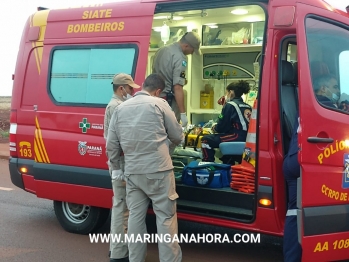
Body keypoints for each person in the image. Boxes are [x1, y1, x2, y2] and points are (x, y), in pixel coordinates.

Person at [106, 73, 184, 262]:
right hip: (159, 171)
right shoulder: (160, 104)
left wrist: (116, 167)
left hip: (133, 172)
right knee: (165, 219)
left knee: (135, 218)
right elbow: (177, 136)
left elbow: (111, 144)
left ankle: (135, 259)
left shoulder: (120, 108)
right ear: (158, 91)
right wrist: (171, 143)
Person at [104, 73, 140, 262]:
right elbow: (113, 142)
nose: (132, 92)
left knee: (121, 206)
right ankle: (119, 253)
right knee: (121, 207)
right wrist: (117, 166)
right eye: (130, 88)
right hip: (120, 162)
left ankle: (117, 250)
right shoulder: (117, 107)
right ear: (121, 89)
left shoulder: (115, 106)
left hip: (118, 161)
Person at [152, 31, 202, 127]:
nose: (192, 53)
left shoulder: (161, 50)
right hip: (168, 101)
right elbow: (177, 87)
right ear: (186, 46)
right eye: (193, 50)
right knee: (171, 133)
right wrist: (183, 114)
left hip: (154, 99)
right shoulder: (181, 58)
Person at [201, 80, 252, 163]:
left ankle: (207, 164)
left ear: (231, 92)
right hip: (247, 139)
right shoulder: (248, 106)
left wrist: (214, 128)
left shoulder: (230, 105)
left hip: (236, 137)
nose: (226, 95)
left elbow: (222, 127)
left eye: (227, 92)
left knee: (206, 140)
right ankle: (229, 161)